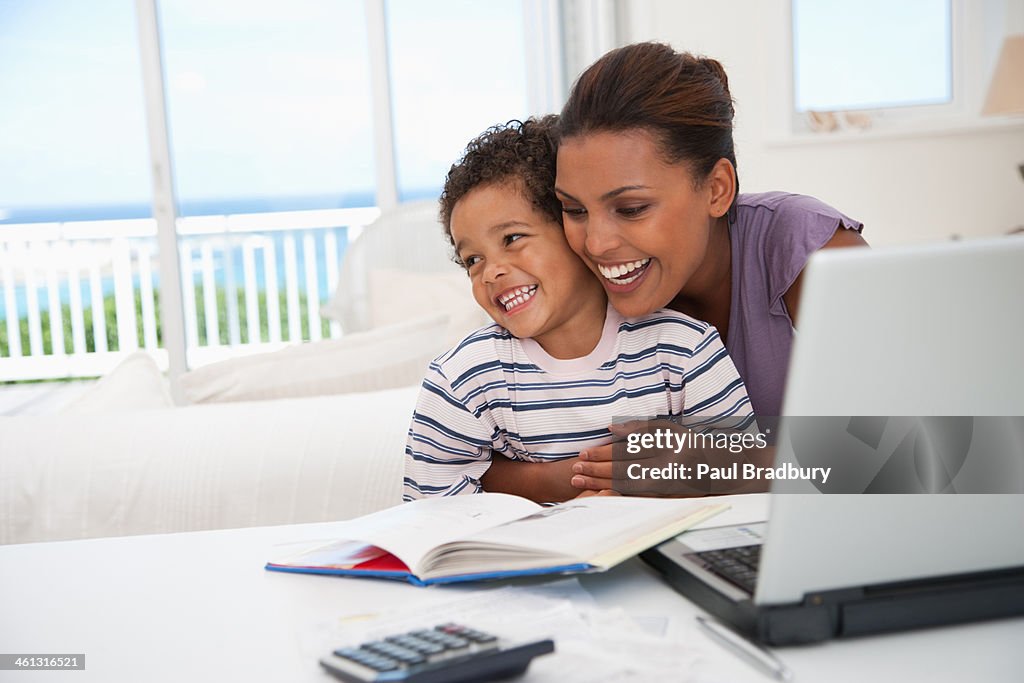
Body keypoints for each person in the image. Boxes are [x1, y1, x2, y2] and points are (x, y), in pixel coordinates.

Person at [483, 42, 868, 499]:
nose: (596, 243)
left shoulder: (810, 252)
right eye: (574, 209)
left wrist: (721, 463)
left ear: (717, 189)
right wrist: (585, 474)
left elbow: (943, 453)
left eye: (631, 208)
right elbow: (480, 464)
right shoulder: (577, 274)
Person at [403, 117, 753, 502]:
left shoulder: (683, 350)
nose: (492, 271)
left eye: (513, 238)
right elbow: (432, 513)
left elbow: (745, 475)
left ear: (575, 233)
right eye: (472, 259)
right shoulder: (463, 379)